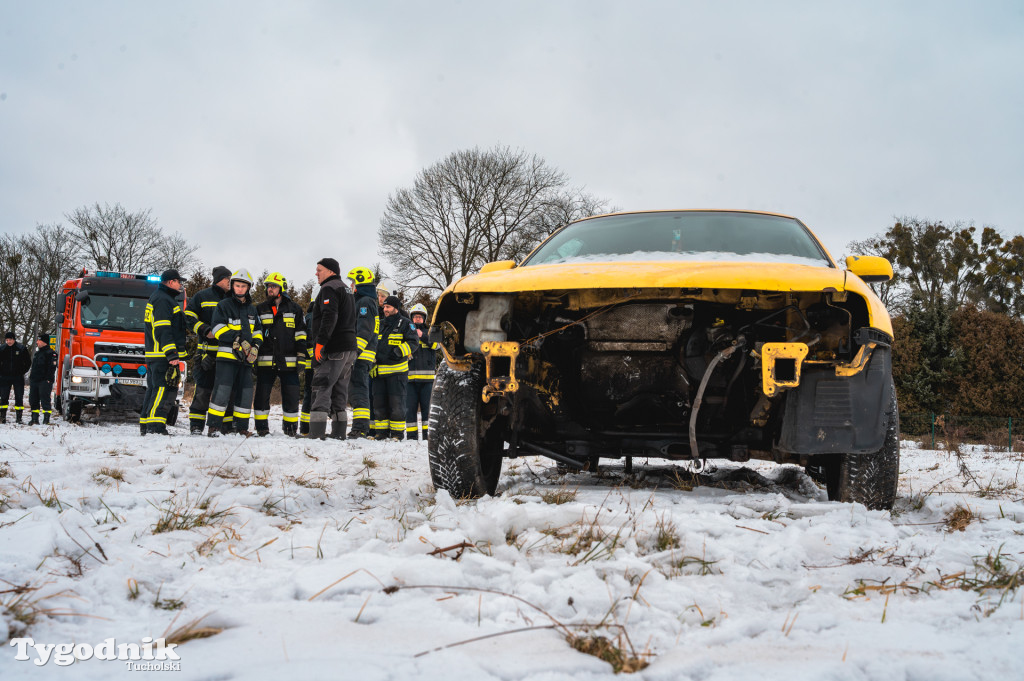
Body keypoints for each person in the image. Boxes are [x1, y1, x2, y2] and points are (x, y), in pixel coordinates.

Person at [206, 269, 262, 437]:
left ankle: (241, 428)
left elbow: (258, 331)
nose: (239, 289)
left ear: (248, 288)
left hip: (246, 359)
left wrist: (256, 347)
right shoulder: (223, 305)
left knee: (245, 393)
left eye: (243, 286)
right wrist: (236, 338)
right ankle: (214, 427)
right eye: (237, 285)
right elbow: (216, 328)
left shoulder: (252, 310)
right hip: (227, 357)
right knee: (222, 391)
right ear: (232, 286)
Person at [307, 257, 357, 440]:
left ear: (330, 271)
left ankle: (316, 433)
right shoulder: (346, 288)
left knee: (322, 386)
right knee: (340, 390)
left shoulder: (329, 288)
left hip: (334, 348)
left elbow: (330, 317)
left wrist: (320, 343)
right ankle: (338, 433)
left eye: (319, 270)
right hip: (350, 349)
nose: (316, 273)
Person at [253, 272, 307, 436]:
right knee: (261, 396)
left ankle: (290, 430)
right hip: (265, 361)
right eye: (268, 286)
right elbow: (255, 333)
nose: (270, 289)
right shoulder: (260, 309)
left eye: (273, 286)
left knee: (291, 397)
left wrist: (301, 357)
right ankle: (262, 429)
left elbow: (301, 335)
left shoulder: (295, 309)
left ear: (281, 288)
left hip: (288, 362)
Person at [185, 265, 233, 434]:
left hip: (227, 354)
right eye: (228, 278)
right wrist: (205, 330)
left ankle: (222, 427)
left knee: (225, 392)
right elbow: (189, 316)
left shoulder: (232, 298)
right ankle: (196, 426)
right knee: (203, 391)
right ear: (220, 279)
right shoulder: (202, 296)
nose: (230, 282)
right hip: (206, 353)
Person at [140, 270, 188, 435]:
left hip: (156, 354)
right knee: (162, 389)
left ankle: (146, 425)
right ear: (171, 282)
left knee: (154, 390)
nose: (180, 285)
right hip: (161, 355)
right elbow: (163, 329)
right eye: (178, 281)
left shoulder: (160, 297)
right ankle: (155, 427)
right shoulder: (163, 300)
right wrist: (171, 354)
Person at [371, 295, 418, 440]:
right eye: (384, 307)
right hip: (378, 373)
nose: (385, 309)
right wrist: (371, 362)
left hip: (397, 373)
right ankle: (381, 433)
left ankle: (397, 434)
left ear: (396, 308)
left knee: (396, 405)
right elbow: (372, 343)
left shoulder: (406, 323)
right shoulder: (379, 323)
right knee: (379, 405)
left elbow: (413, 342)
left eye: (388, 307)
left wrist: (398, 352)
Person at [346, 266, 379, 438]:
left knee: (359, 390)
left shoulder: (365, 302)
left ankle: (360, 428)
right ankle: (360, 427)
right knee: (356, 389)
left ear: (358, 283)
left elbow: (364, 330)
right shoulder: (363, 300)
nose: (350, 285)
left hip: (361, 354)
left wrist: (355, 351)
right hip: (361, 353)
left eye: (352, 282)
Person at [405, 303, 437, 441]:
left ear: (424, 318)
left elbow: (436, 345)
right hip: (410, 380)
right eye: (415, 317)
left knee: (427, 411)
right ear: (411, 318)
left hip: (427, 380)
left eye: (420, 317)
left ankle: (427, 437)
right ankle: (411, 437)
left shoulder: (431, 331)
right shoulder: (406, 332)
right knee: (410, 410)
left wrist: (422, 335)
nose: (417, 319)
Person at [0, 331, 32, 424]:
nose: (8, 342)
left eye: (10, 339)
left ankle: (19, 418)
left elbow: (28, 363)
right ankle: (2, 418)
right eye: (6, 340)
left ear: (14, 339)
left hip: (18, 377)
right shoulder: (2, 349)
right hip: (4, 377)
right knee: (4, 397)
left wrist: (21, 372)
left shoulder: (21, 348)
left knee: (19, 397)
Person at [28, 334, 58, 425]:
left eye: (39, 341)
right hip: (35, 380)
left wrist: (48, 379)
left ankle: (46, 419)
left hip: (44, 381)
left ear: (44, 342)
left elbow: (52, 367)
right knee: (33, 399)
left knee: (45, 400)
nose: (37, 342)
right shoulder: (37, 353)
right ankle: (34, 419)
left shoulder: (51, 353)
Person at [298, 300, 314, 436]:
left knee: (308, 395)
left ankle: (305, 428)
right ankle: (307, 428)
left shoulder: (307, 317)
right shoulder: (315, 317)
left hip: (310, 364)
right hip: (316, 363)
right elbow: (311, 340)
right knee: (313, 395)